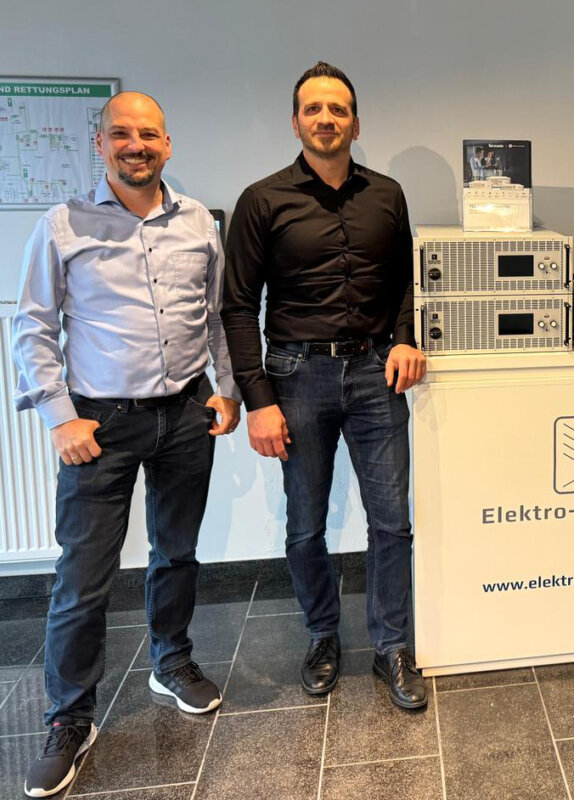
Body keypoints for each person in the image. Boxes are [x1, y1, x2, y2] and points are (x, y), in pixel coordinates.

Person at [13, 91, 240, 797]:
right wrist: (60, 417)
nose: (135, 145)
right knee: (84, 576)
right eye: (121, 134)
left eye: (148, 134)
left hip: (186, 415)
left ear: (167, 144)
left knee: (176, 553)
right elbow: (33, 326)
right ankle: (69, 718)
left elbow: (217, 316)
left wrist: (227, 389)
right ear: (100, 144)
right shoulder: (63, 223)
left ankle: (170, 662)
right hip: (100, 424)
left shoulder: (199, 221)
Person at [222, 61, 428, 709]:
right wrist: (258, 401)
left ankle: (393, 645)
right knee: (305, 524)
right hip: (296, 376)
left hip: (375, 373)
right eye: (314, 109)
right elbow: (237, 306)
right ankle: (322, 636)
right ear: (296, 122)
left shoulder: (388, 195)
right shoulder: (263, 200)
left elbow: (407, 280)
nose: (326, 119)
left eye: (338, 109)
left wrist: (405, 337)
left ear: (355, 124)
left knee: (392, 522)